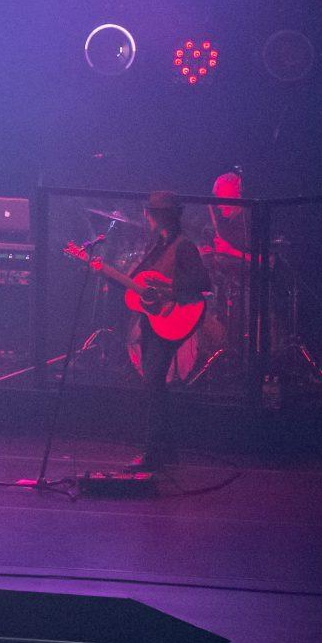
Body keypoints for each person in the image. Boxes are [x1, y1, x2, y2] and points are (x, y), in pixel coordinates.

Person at [92, 192, 211, 472]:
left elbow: (201, 283)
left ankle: (153, 452)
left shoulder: (183, 247)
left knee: (154, 380)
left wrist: (168, 291)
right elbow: (139, 287)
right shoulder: (156, 246)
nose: (146, 217)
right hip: (154, 321)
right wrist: (106, 272)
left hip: (173, 317)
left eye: (150, 213)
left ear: (159, 217)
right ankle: (166, 450)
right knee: (154, 381)